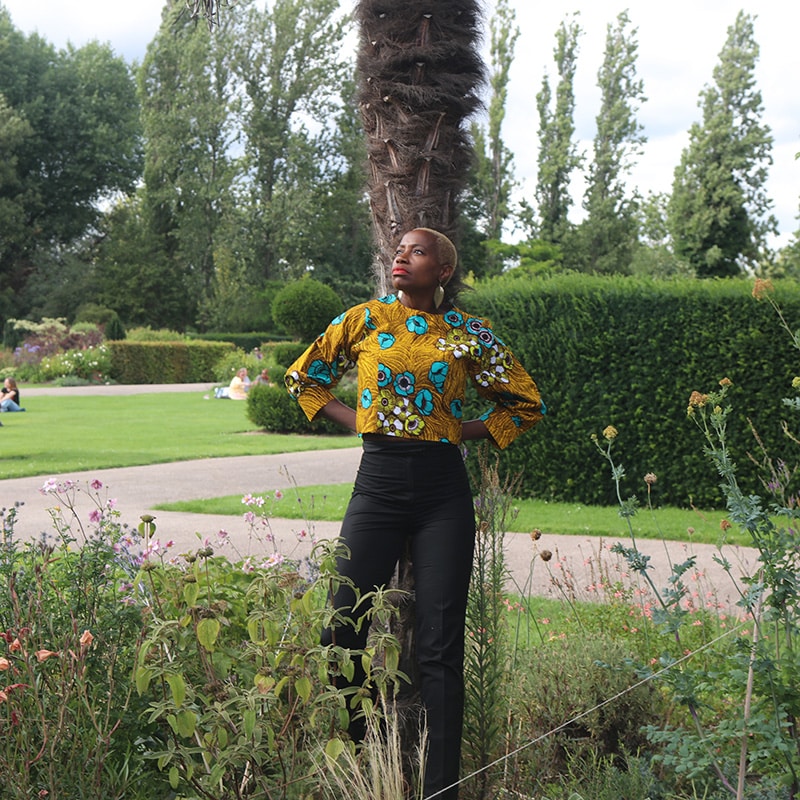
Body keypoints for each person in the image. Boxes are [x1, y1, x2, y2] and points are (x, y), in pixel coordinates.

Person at [284, 228, 545, 799]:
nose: (402, 256)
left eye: (418, 251)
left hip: (441, 494)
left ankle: (441, 789)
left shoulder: (468, 332)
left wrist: (452, 429)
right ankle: (361, 763)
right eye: (399, 249)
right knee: (341, 627)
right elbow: (303, 378)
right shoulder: (365, 320)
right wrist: (363, 421)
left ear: (443, 271)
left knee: (439, 647)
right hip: (376, 484)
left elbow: (525, 404)